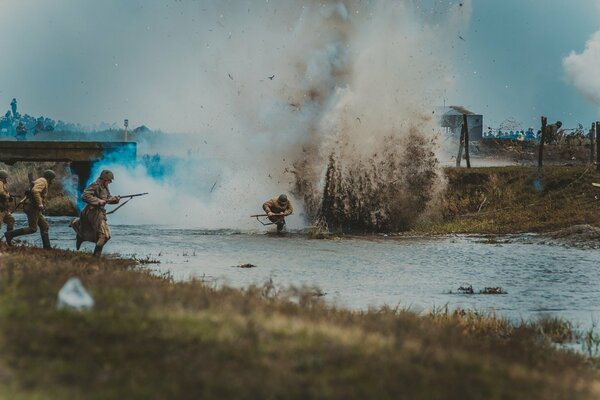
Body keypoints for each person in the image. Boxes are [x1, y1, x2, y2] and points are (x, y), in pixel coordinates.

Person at [70, 170, 120, 257]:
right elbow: (84, 196)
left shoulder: (105, 187)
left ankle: (82, 236)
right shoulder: (95, 185)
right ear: (104, 179)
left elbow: (107, 199)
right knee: (104, 236)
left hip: (99, 213)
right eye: (109, 180)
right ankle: (96, 258)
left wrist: (115, 200)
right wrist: (98, 201)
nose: (111, 182)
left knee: (104, 236)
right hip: (92, 212)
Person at [4, 169, 56, 249]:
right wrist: (40, 204)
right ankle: (10, 234)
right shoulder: (43, 181)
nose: (53, 180)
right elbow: (35, 191)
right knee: (32, 229)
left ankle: (47, 247)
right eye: (53, 178)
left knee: (44, 226)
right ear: (50, 177)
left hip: (33, 207)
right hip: (32, 207)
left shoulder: (41, 180)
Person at [0, 170, 15, 236]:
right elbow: (1, 193)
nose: (6, 179)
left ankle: (9, 237)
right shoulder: (0, 182)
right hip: (1, 209)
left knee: (11, 220)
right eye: (5, 178)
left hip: (4, 209)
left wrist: (8, 197)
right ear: (1, 178)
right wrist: (7, 196)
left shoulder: (3, 184)